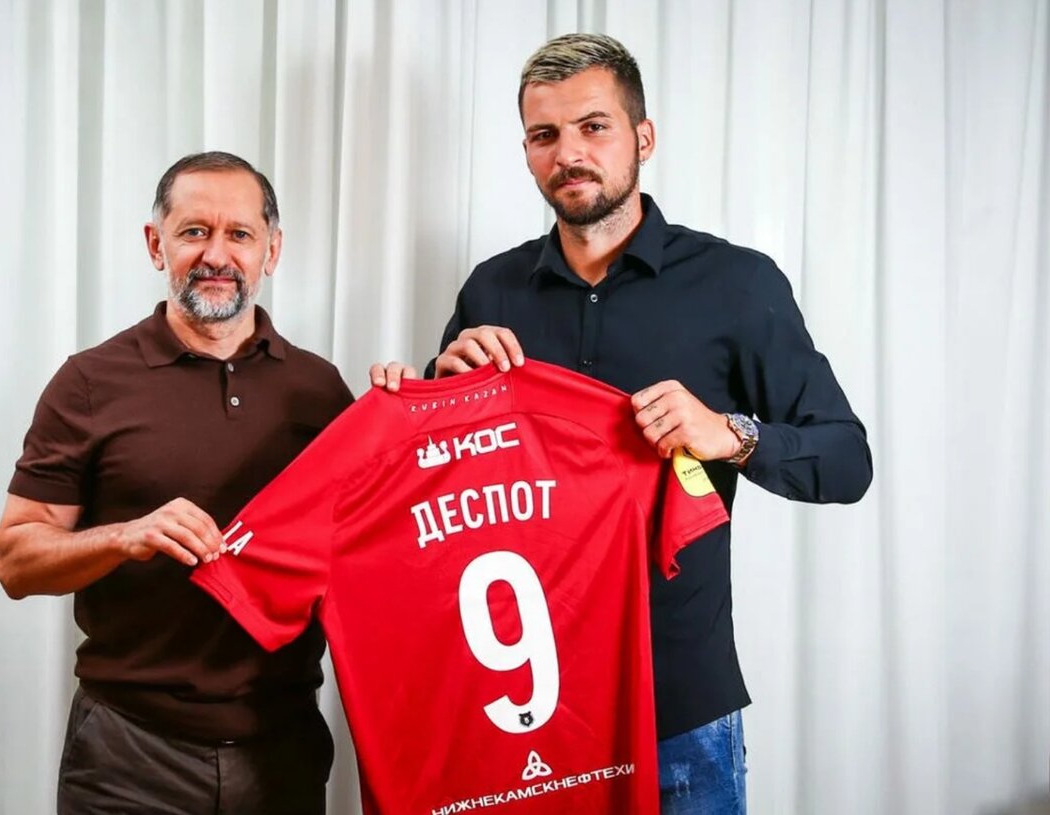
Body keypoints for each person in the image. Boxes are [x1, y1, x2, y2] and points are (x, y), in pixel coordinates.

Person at [371, 33, 872, 814]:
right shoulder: (491, 292)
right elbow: (440, 497)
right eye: (544, 134)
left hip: (679, 707)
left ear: (644, 137)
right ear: (527, 152)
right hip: (520, 702)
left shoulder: (736, 284)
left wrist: (729, 433)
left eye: (593, 126)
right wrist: (431, 395)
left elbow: (846, 460)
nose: (569, 152)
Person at [0, 151, 352, 814]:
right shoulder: (89, 382)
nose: (217, 254)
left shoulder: (321, 390)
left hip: (283, 748)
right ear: (156, 244)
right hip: (129, 756)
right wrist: (125, 536)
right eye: (194, 231)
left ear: (272, 251)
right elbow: (16, 561)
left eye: (239, 234)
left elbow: (373, 547)